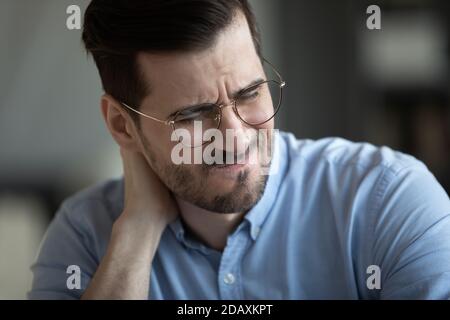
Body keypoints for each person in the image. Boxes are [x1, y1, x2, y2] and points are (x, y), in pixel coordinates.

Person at [29, 0, 450, 299]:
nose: (235, 133)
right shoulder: (85, 237)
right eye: (193, 113)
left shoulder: (389, 201)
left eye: (250, 92)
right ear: (124, 125)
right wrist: (137, 230)